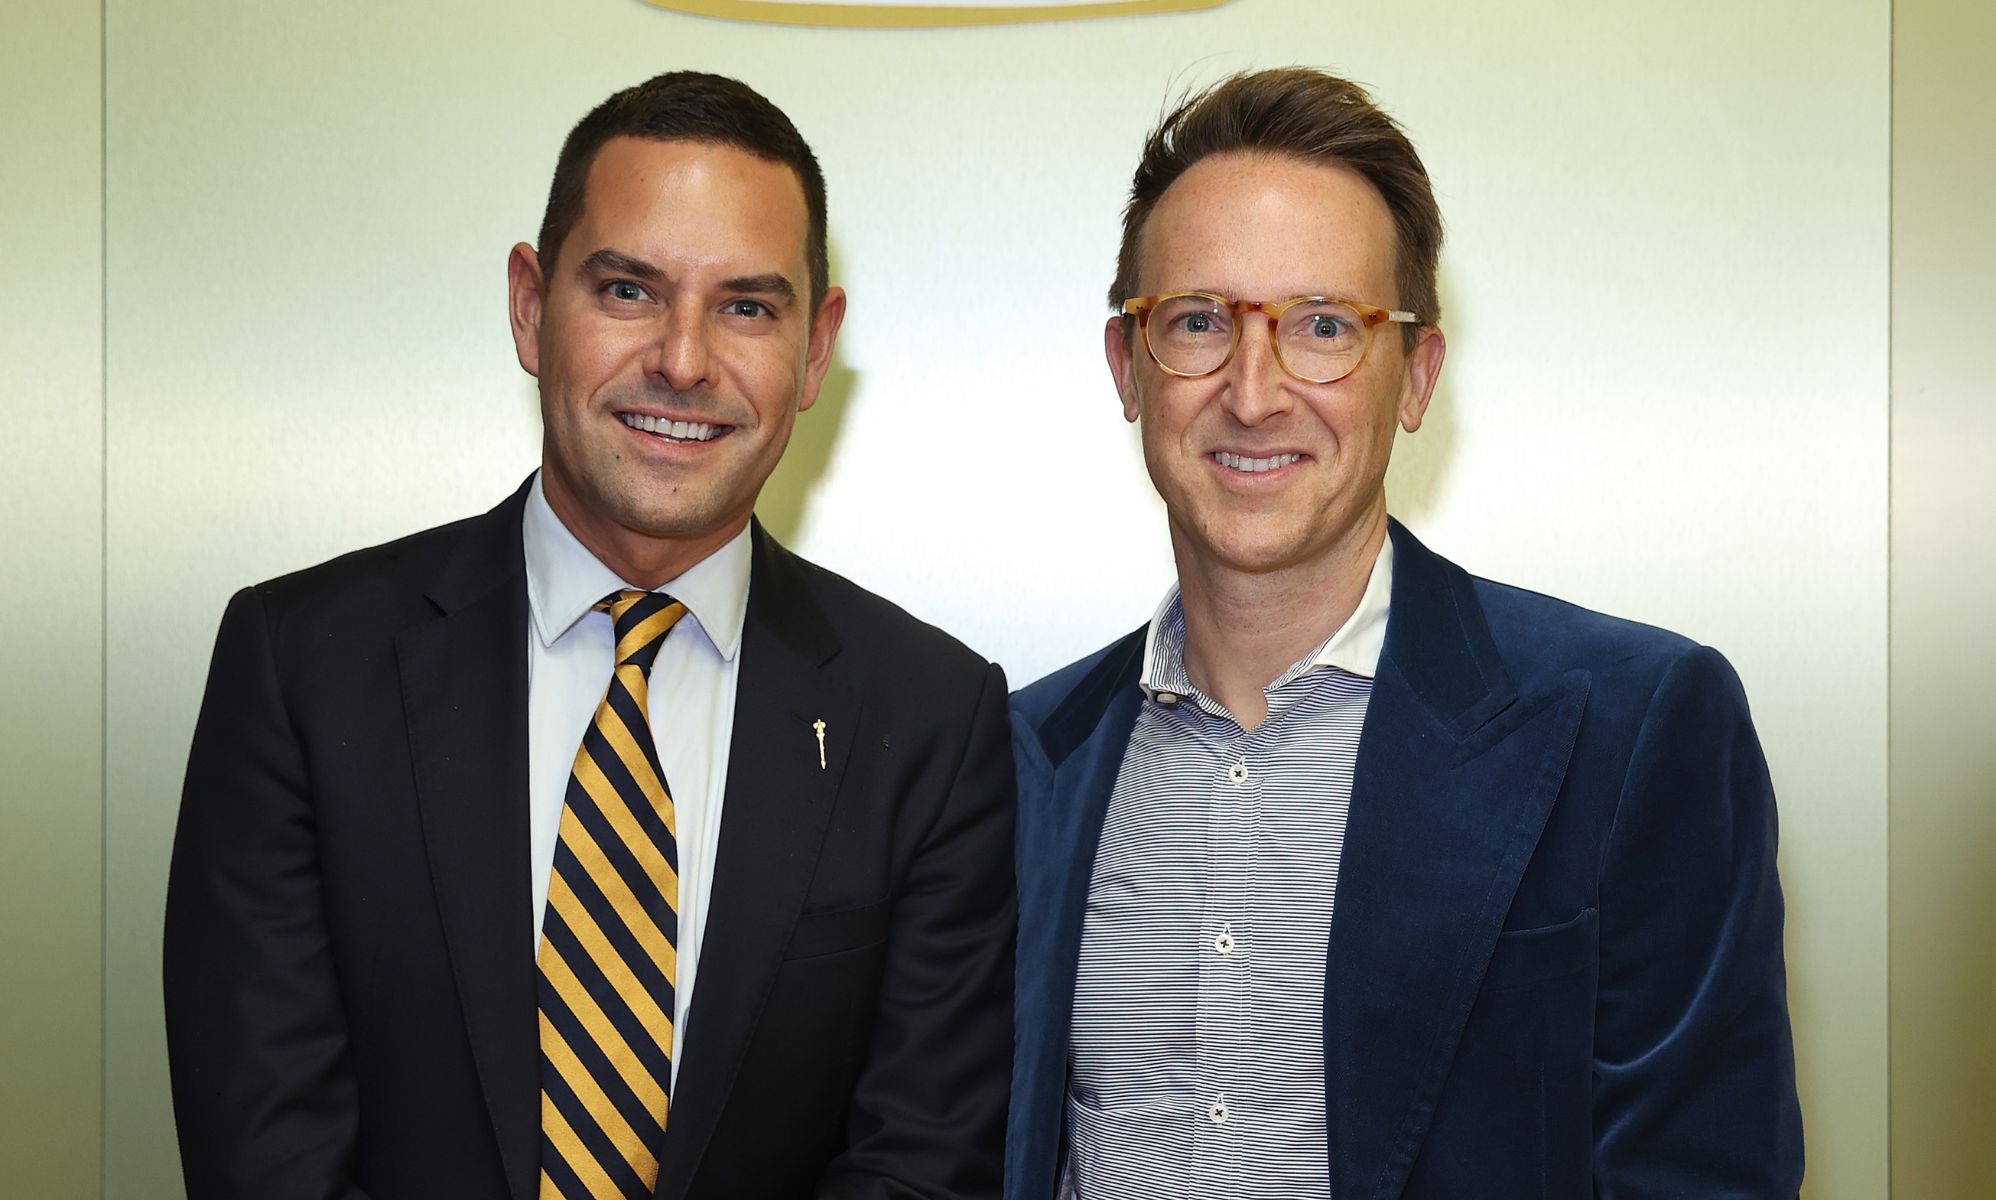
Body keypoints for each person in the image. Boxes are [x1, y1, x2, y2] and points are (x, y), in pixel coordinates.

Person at [164, 71, 1014, 1200]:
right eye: (628, 290)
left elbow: (919, 1161)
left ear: (816, 350)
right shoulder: (301, 667)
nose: (682, 360)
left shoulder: (930, 716)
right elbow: (266, 1148)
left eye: (748, 307)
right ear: (529, 304)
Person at [1006, 68, 1803, 1199]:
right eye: (1195, 323)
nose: (1252, 391)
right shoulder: (1013, 760)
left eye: (1323, 326)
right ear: (1127, 367)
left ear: (1415, 374)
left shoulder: (1633, 731)